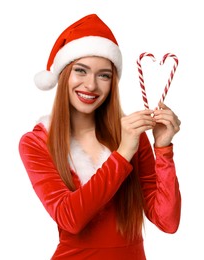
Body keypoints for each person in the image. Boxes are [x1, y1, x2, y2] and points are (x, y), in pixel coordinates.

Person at [19, 14, 181, 260]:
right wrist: (122, 153)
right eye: (80, 71)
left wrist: (163, 149)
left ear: (113, 82)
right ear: (63, 75)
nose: (91, 85)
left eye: (104, 75)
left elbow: (167, 221)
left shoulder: (131, 135)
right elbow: (69, 218)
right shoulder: (37, 142)